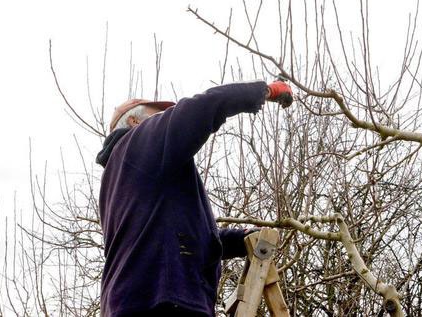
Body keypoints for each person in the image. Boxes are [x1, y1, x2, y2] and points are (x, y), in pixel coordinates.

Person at [96, 80, 293, 317]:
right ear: (134, 121)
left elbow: (178, 236)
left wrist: (239, 241)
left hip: (133, 301)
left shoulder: (125, 175)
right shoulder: (140, 141)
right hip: (161, 300)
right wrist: (264, 91)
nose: (166, 117)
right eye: (158, 115)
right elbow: (201, 107)